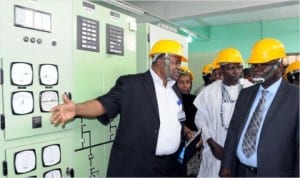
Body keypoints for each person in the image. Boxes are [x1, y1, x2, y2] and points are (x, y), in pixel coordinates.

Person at [50, 39, 188, 177]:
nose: (179, 67)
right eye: (176, 62)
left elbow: (174, 119)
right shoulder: (132, 85)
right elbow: (103, 104)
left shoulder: (174, 89)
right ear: (161, 61)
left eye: (179, 63)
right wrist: (77, 109)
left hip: (171, 166)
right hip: (141, 167)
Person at [219, 38, 299, 177]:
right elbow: (233, 132)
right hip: (241, 172)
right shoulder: (245, 94)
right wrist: (226, 164)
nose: (256, 69)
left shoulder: (296, 97)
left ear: (279, 66)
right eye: (254, 64)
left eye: (263, 65)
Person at [193, 48, 253, 177]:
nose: (237, 71)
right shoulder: (209, 92)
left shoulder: (249, 88)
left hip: (243, 150)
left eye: (239, 67)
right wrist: (212, 143)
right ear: (221, 69)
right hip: (216, 150)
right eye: (231, 68)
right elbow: (200, 120)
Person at [176, 66, 201, 176]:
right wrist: (185, 131)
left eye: (187, 82)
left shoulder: (195, 99)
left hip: (194, 140)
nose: (185, 85)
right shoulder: (173, 99)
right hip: (178, 140)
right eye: (181, 82)